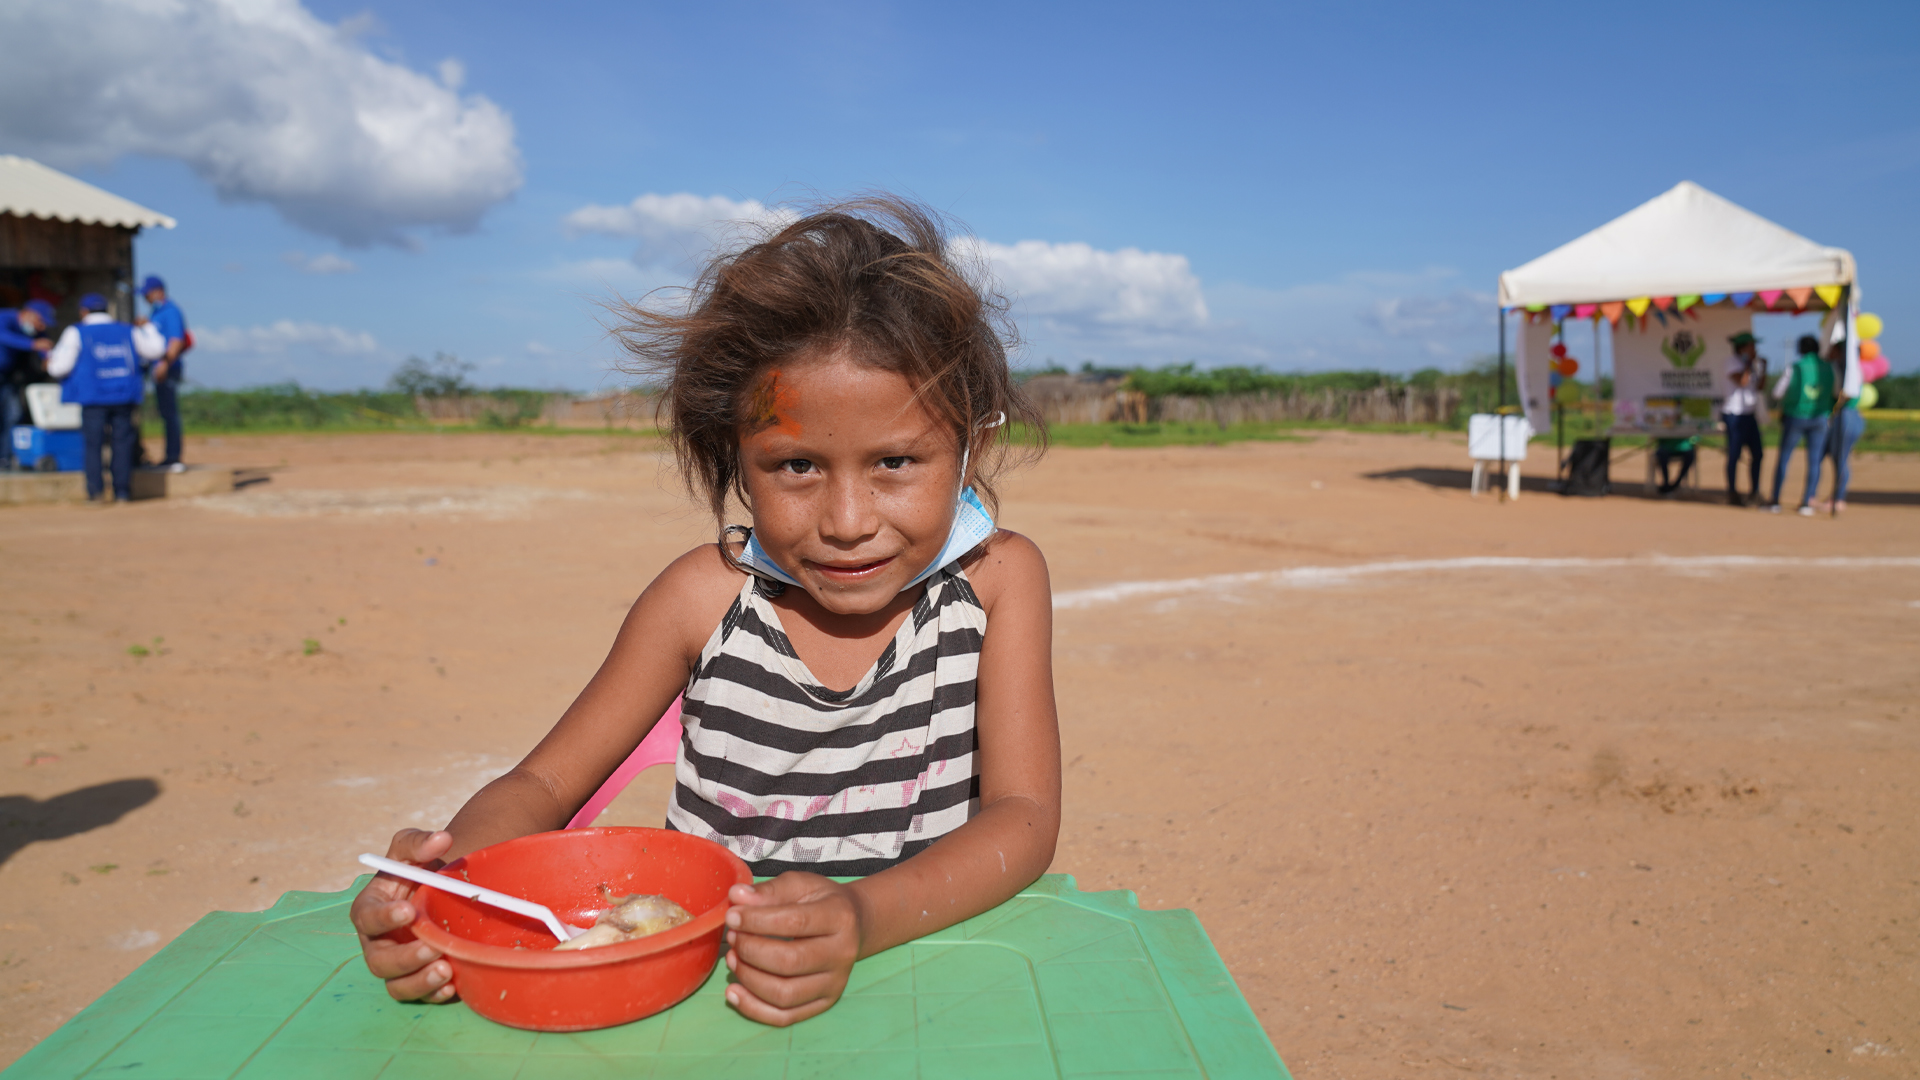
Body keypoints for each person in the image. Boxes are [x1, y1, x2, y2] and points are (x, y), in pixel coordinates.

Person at [349, 197, 1061, 1026]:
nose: (847, 520)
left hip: (921, 985)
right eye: (796, 465)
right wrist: (446, 892)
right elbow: (543, 781)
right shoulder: (700, 597)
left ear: (970, 446)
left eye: (896, 461)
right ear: (735, 459)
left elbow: (1025, 816)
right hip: (700, 999)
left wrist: (861, 918)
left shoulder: (996, 580)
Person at [45, 293, 166, 502]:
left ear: (84, 311)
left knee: (93, 445)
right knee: (122, 444)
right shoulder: (128, 330)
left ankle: (96, 493)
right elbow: (155, 350)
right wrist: (149, 327)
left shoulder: (76, 332)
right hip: (123, 396)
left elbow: (59, 367)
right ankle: (122, 492)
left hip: (93, 398)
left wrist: (48, 363)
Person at [1768, 334, 1835, 516]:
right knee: (1814, 461)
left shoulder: (1795, 367)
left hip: (1795, 417)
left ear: (1801, 349)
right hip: (1820, 418)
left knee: (1784, 458)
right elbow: (1836, 391)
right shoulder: (1829, 368)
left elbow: (1777, 393)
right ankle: (1807, 502)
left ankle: (1775, 500)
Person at [139, 275, 189, 471]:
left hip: (168, 369)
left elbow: (176, 341)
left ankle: (173, 457)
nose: (145, 298)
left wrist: (165, 365)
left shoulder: (171, 311)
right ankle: (170, 456)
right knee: (165, 413)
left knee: (170, 414)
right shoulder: (155, 311)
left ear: (158, 291)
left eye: (147, 294)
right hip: (158, 369)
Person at [0, 298, 55, 470]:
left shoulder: (35, 331)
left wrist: (47, 358)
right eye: (41, 322)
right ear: (29, 314)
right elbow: (3, 336)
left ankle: (5, 459)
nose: (42, 327)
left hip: (7, 378)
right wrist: (32, 344)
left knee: (13, 416)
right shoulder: (5, 317)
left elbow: (43, 346)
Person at [1819, 341, 1866, 515]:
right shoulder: (1844, 369)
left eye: (1833, 350)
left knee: (1840, 459)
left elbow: (1842, 396)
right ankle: (1831, 497)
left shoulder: (1849, 371)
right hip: (1844, 417)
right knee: (1831, 456)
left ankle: (1838, 499)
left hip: (1846, 417)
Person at [1721, 330, 1765, 505]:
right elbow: (1742, 381)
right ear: (1742, 348)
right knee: (1734, 454)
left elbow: (1760, 386)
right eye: (1751, 346)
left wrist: (1763, 368)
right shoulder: (1730, 362)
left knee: (1758, 454)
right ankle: (1732, 492)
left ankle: (1754, 491)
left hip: (1749, 414)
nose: (1755, 349)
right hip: (1733, 415)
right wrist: (1749, 364)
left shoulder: (1752, 365)